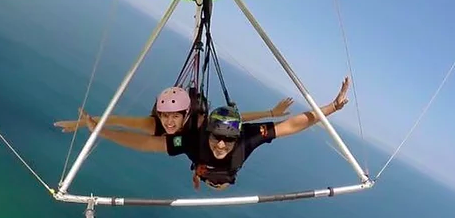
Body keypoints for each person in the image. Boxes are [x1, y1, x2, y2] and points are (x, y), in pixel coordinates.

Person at [76, 76, 351, 190]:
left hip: (222, 176)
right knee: (157, 130)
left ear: (236, 137)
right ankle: (204, 175)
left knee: (218, 178)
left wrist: (332, 108)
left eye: (227, 139)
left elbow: (293, 125)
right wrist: (100, 131)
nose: (221, 144)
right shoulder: (193, 140)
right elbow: (146, 143)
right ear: (207, 132)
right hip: (205, 171)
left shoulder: (247, 137)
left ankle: (209, 177)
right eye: (216, 137)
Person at [55, 86, 293, 137]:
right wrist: (78, 124)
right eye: (165, 116)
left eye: (173, 117)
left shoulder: (200, 122)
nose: (168, 122)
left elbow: (237, 119)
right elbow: (116, 120)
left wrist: (272, 112)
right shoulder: (154, 124)